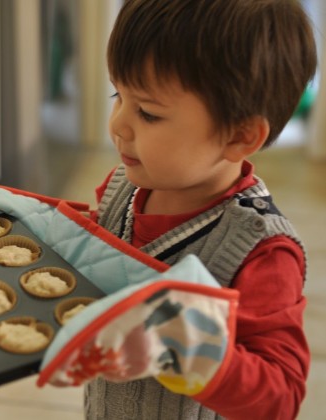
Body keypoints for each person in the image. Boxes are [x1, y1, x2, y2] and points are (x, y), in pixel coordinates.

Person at [85, 0, 317, 418]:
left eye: (149, 113)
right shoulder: (122, 185)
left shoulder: (260, 251)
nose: (117, 124)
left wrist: (181, 344)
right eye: (118, 94)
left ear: (240, 135)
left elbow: (280, 396)